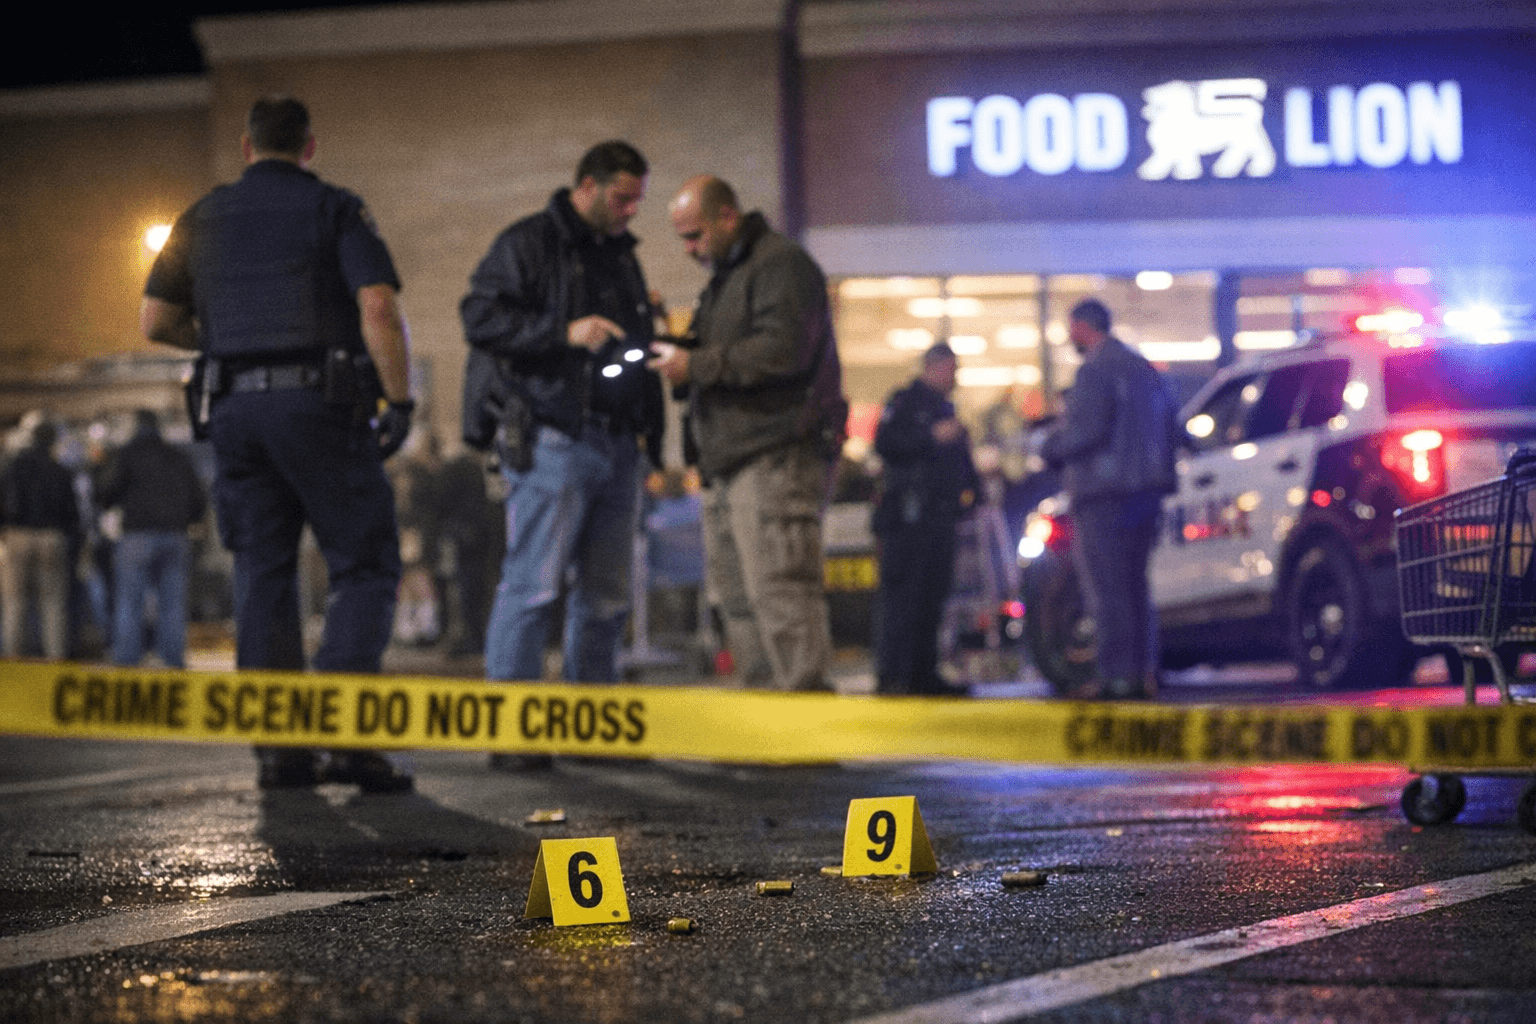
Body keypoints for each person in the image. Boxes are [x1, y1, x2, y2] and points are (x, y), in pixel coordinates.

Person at [140, 94, 416, 792]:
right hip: (320, 403)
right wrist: (401, 399)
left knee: (261, 571)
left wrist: (227, 345)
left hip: (232, 408)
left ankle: (280, 750)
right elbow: (378, 306)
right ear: (308, 147)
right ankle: (345, 738)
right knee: (363, 564)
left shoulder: (200, 216)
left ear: (246, 146)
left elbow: (154, 320)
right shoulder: (335, 208)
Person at [461, 140, 665, 770]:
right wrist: (563, 334)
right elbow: (478, 316)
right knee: (533, 586)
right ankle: (513, 734)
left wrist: (649, 440)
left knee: (606, 595)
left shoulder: (620, 256)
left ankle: (592, 730)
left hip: (615, 442)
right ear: (587, 186)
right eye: (623, 196)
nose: (632, 210)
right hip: (554, 436)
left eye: (637, 198)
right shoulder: (528, 243)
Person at [651, 175, 847, 692]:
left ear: (727, 217)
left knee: (780, 590)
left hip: (775, 453)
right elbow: (734, 352)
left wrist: (694, 365)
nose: (689, 250)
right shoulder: (730, 276)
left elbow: (782, 351)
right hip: (730, 459)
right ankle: (765, 727)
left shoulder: (781, 265)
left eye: (694, 236)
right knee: (738, 597)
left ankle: (804, 725)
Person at [1040, 299, 1179, 700]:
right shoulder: (1143, 368)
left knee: (1108, 589)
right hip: (1146, 494)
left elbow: (1088, 430)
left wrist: (1049, 447)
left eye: (1071, 329)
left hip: (1104, 496)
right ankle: (1142, 674)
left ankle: (1116, 677)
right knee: (1137, 587)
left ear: (1083, 327)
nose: (1070, 338)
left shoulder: (1096, 369)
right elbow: (1171, 427)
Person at [872, 343, 980, 695]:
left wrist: (973, 494)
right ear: (932, 368)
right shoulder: (904, 402)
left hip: (939, 518)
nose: (954, 378)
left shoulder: (947, 409)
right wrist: (930, 437)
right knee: (904, 597)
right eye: (950, 370)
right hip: (907, 519)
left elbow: (961, 463)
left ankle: (923, 672)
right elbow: (886, 443)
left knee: (933, 596)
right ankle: (894, 675)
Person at [94, 409, 207, 668]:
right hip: (176, 537)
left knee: (130, 603)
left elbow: (106, 492)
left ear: (136, 426)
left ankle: (127, 662)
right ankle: (173, 662)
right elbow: (199, 501)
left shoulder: (127, 454)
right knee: (173, 605)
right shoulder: (178, 456)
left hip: (138, 536)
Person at [0, 418, 82, 660]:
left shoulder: (14, 467)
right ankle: (54, 661)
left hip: (17, 536)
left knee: (15, 603)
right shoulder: (60, 471)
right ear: (53, 441)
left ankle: (12, 661)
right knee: (52, 604)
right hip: (50, 537)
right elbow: (72, 513)